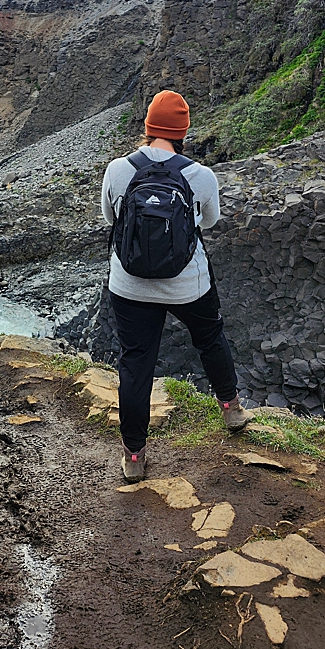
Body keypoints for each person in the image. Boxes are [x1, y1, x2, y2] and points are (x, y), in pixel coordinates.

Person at [100, 88, 247, 483]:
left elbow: (109, 216)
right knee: (210, 337)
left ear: (148, 127)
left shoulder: (118, 169)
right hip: (188, 283)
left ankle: (134, 457)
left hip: (129, 285)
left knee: (135, 362)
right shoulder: (200, 176)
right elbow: (210, 222)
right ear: (183, 131)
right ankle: (230, 408)